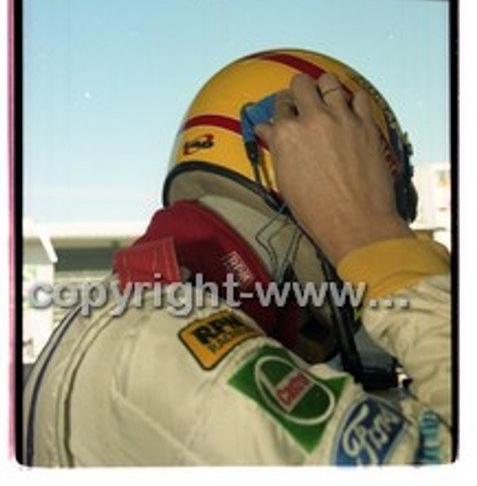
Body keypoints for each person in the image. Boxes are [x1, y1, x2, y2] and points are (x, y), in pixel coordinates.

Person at [22, 48, 452, 466]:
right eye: (375, 197)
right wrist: (370, 233)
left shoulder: (161, 315)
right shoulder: (168, 346)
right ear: (308, 175)